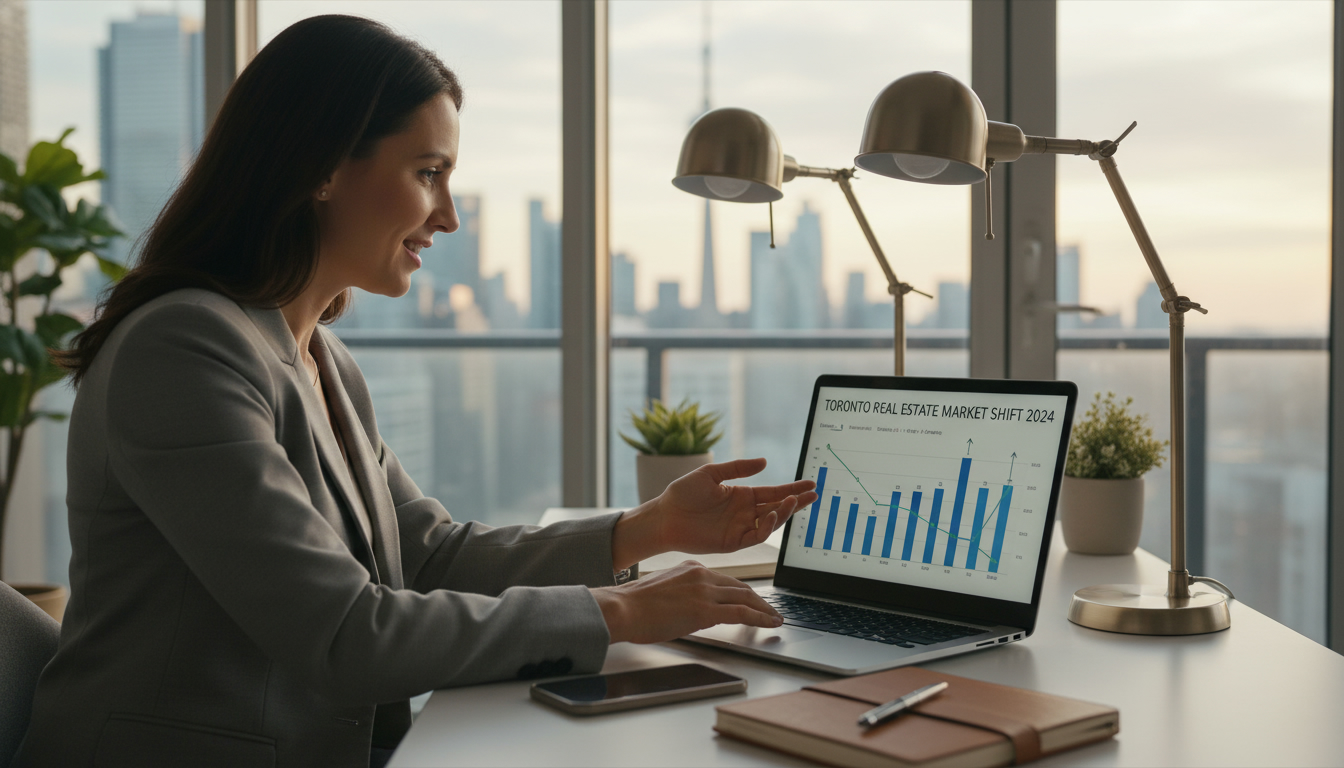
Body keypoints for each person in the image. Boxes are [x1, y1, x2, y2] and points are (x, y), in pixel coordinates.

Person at [13, 15, 817, 768]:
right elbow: (345, 632)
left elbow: (426, 555)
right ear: (322, 167)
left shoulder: (318, 355)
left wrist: (646, 527)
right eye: (428, 173)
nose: (449, 218)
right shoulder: (182, 350)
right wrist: (626, 613)